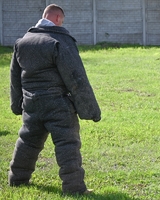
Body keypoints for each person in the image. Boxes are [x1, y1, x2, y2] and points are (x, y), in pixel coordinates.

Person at [9, 4, 101, 194]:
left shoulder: (22, 42)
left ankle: (17, 179)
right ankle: (74, 188)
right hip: (58, 104)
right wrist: (91, 110)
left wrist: (17, 105)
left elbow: (15, 79)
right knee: (67, 144)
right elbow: (76, 77)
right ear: (58, 19)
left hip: (31, 102)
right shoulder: (59, 41)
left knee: (27, 141)